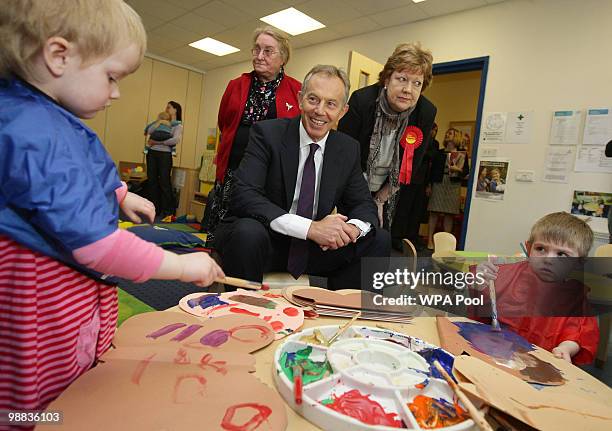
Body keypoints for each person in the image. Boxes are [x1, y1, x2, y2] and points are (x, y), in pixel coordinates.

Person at [0, 0, 224, 414]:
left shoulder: (37, 116)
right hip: (44, 296)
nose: (116, 92)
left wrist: (121, 194)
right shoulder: (39, 132)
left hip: (58, 284)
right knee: (44, 393)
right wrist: (183, 267)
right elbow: (98, 247)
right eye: (111, 77)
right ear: (58, 56)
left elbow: (60, 182)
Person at [215, 65, 390, 290]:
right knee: (246, 232)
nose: (320, 111)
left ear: (342, 112)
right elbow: (244, 195)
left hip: (315, 249)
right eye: (313, 99)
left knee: (378, 239)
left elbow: (363, 204)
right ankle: (243, 314)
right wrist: (311, 228)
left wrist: (352, 229)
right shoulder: (267, 134)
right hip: (268, 241)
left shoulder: (347, 149)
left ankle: (346, 313)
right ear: (300, 99)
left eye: (331, 104)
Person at [202, 26, 301, 245]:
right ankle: (214, 270)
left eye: (268, 51)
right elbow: (223, 124)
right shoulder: (235, 86)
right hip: (233, 173)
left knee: (254, 232)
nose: (259, 56)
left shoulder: (297, 91)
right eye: (256, 49)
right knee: (221, 229)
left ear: (283, 58)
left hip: (272, 180)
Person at [338, 43, 437, 250]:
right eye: (402, 79)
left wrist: (380, 200)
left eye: (416, 83)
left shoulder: (425, 112)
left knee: (379, 239)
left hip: (390, 189)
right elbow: (343, 157)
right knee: (348, 238)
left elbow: (410, 165)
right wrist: (364, 201)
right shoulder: (362, 101)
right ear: (386, 79)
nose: (408, 90)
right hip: (353, 181)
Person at [473, 212, 599, 364]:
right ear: (528, 248)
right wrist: (479, 285)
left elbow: (577, 334)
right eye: (541, 249)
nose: (548, 259)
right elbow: (480, 307)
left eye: (562, 254)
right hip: (493, 354)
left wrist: (565, 348)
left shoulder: (574, 296)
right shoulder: (507, 275)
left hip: (540, 363)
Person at [426, 128, 468, 249]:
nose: (447, 135)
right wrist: (429, 185)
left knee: (449, 215)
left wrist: (457, 169)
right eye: (447, 133)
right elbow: (432, 170)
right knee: (434, 212)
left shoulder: (462, 154)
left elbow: (465, 171)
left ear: (456, 137)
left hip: (453, 185)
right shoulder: (439, 153)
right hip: (439, 183)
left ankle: (445, 245)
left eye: (450, 133)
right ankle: (430, 241)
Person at [145, 100, 182, 217]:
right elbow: (149, 132)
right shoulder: (161, 121)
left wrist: (156, 141)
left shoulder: (177, 125)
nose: (167, 109)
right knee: (152, 181)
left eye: (169, 107)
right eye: (166, 107)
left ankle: (167, 211)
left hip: (165, 155)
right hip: (152, 153)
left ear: (176, 110)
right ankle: (154, 209)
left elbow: (175, 140)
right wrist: (157, 122)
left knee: (165, 182)